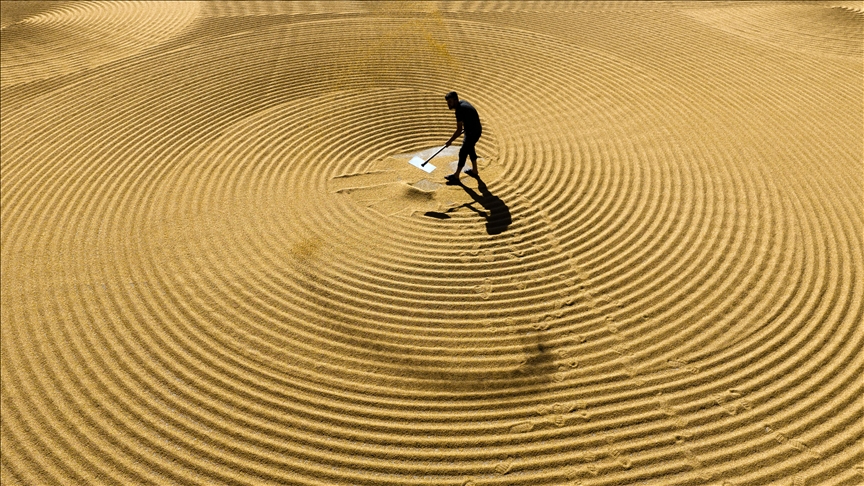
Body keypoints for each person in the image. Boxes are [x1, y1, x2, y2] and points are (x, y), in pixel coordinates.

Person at [443, 91, 482, 183]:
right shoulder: (463, 103)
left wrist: (450, 141)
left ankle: (456, 176)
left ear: (456, 100)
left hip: (472, 132)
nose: (448, 104)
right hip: (474, 130)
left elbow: (459, 130)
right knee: (470, 149)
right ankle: (475, 171)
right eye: (448, 102)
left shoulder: (459, 110)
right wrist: (468, 125)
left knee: (463, 152)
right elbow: (471, 117)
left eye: (450, 102)